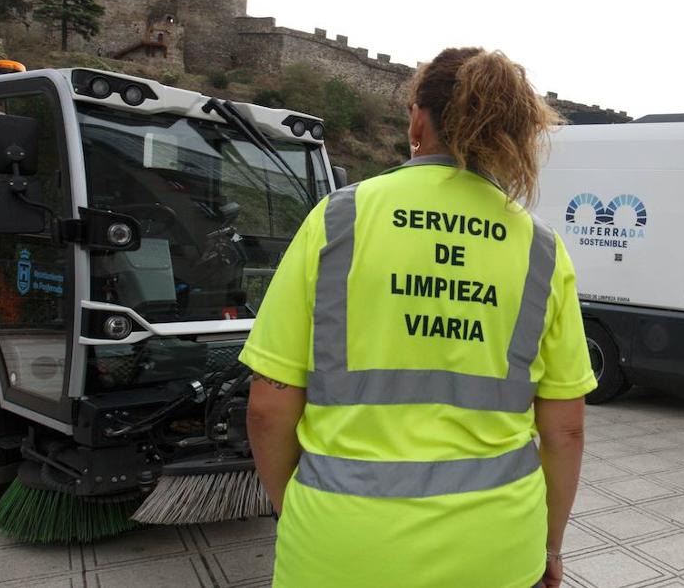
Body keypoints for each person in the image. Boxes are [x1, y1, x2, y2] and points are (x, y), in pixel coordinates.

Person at [239, 47, 596, 588]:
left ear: (417, 117)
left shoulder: (340, 219)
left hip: (342, 545)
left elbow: (268, 406)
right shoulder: (541, 248)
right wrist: (550, 545)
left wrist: (305, 511)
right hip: (496, 549)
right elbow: (565, 429)